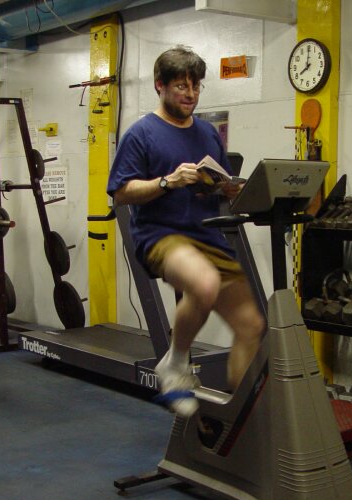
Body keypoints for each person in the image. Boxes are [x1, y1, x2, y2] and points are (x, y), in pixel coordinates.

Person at [107, 46, 266, 417]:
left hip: (205, 236)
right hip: (160, 236)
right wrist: (168, 181)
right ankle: (175, 363)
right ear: (160, 86)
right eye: (181, 86)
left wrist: (228, 189)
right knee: (205, 284)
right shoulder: (141, 134)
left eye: (196, 86)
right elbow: (121, 192)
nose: (191, 94)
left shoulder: (208, 133)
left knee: (251, 325)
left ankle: (237, 420)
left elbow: (217, 182)